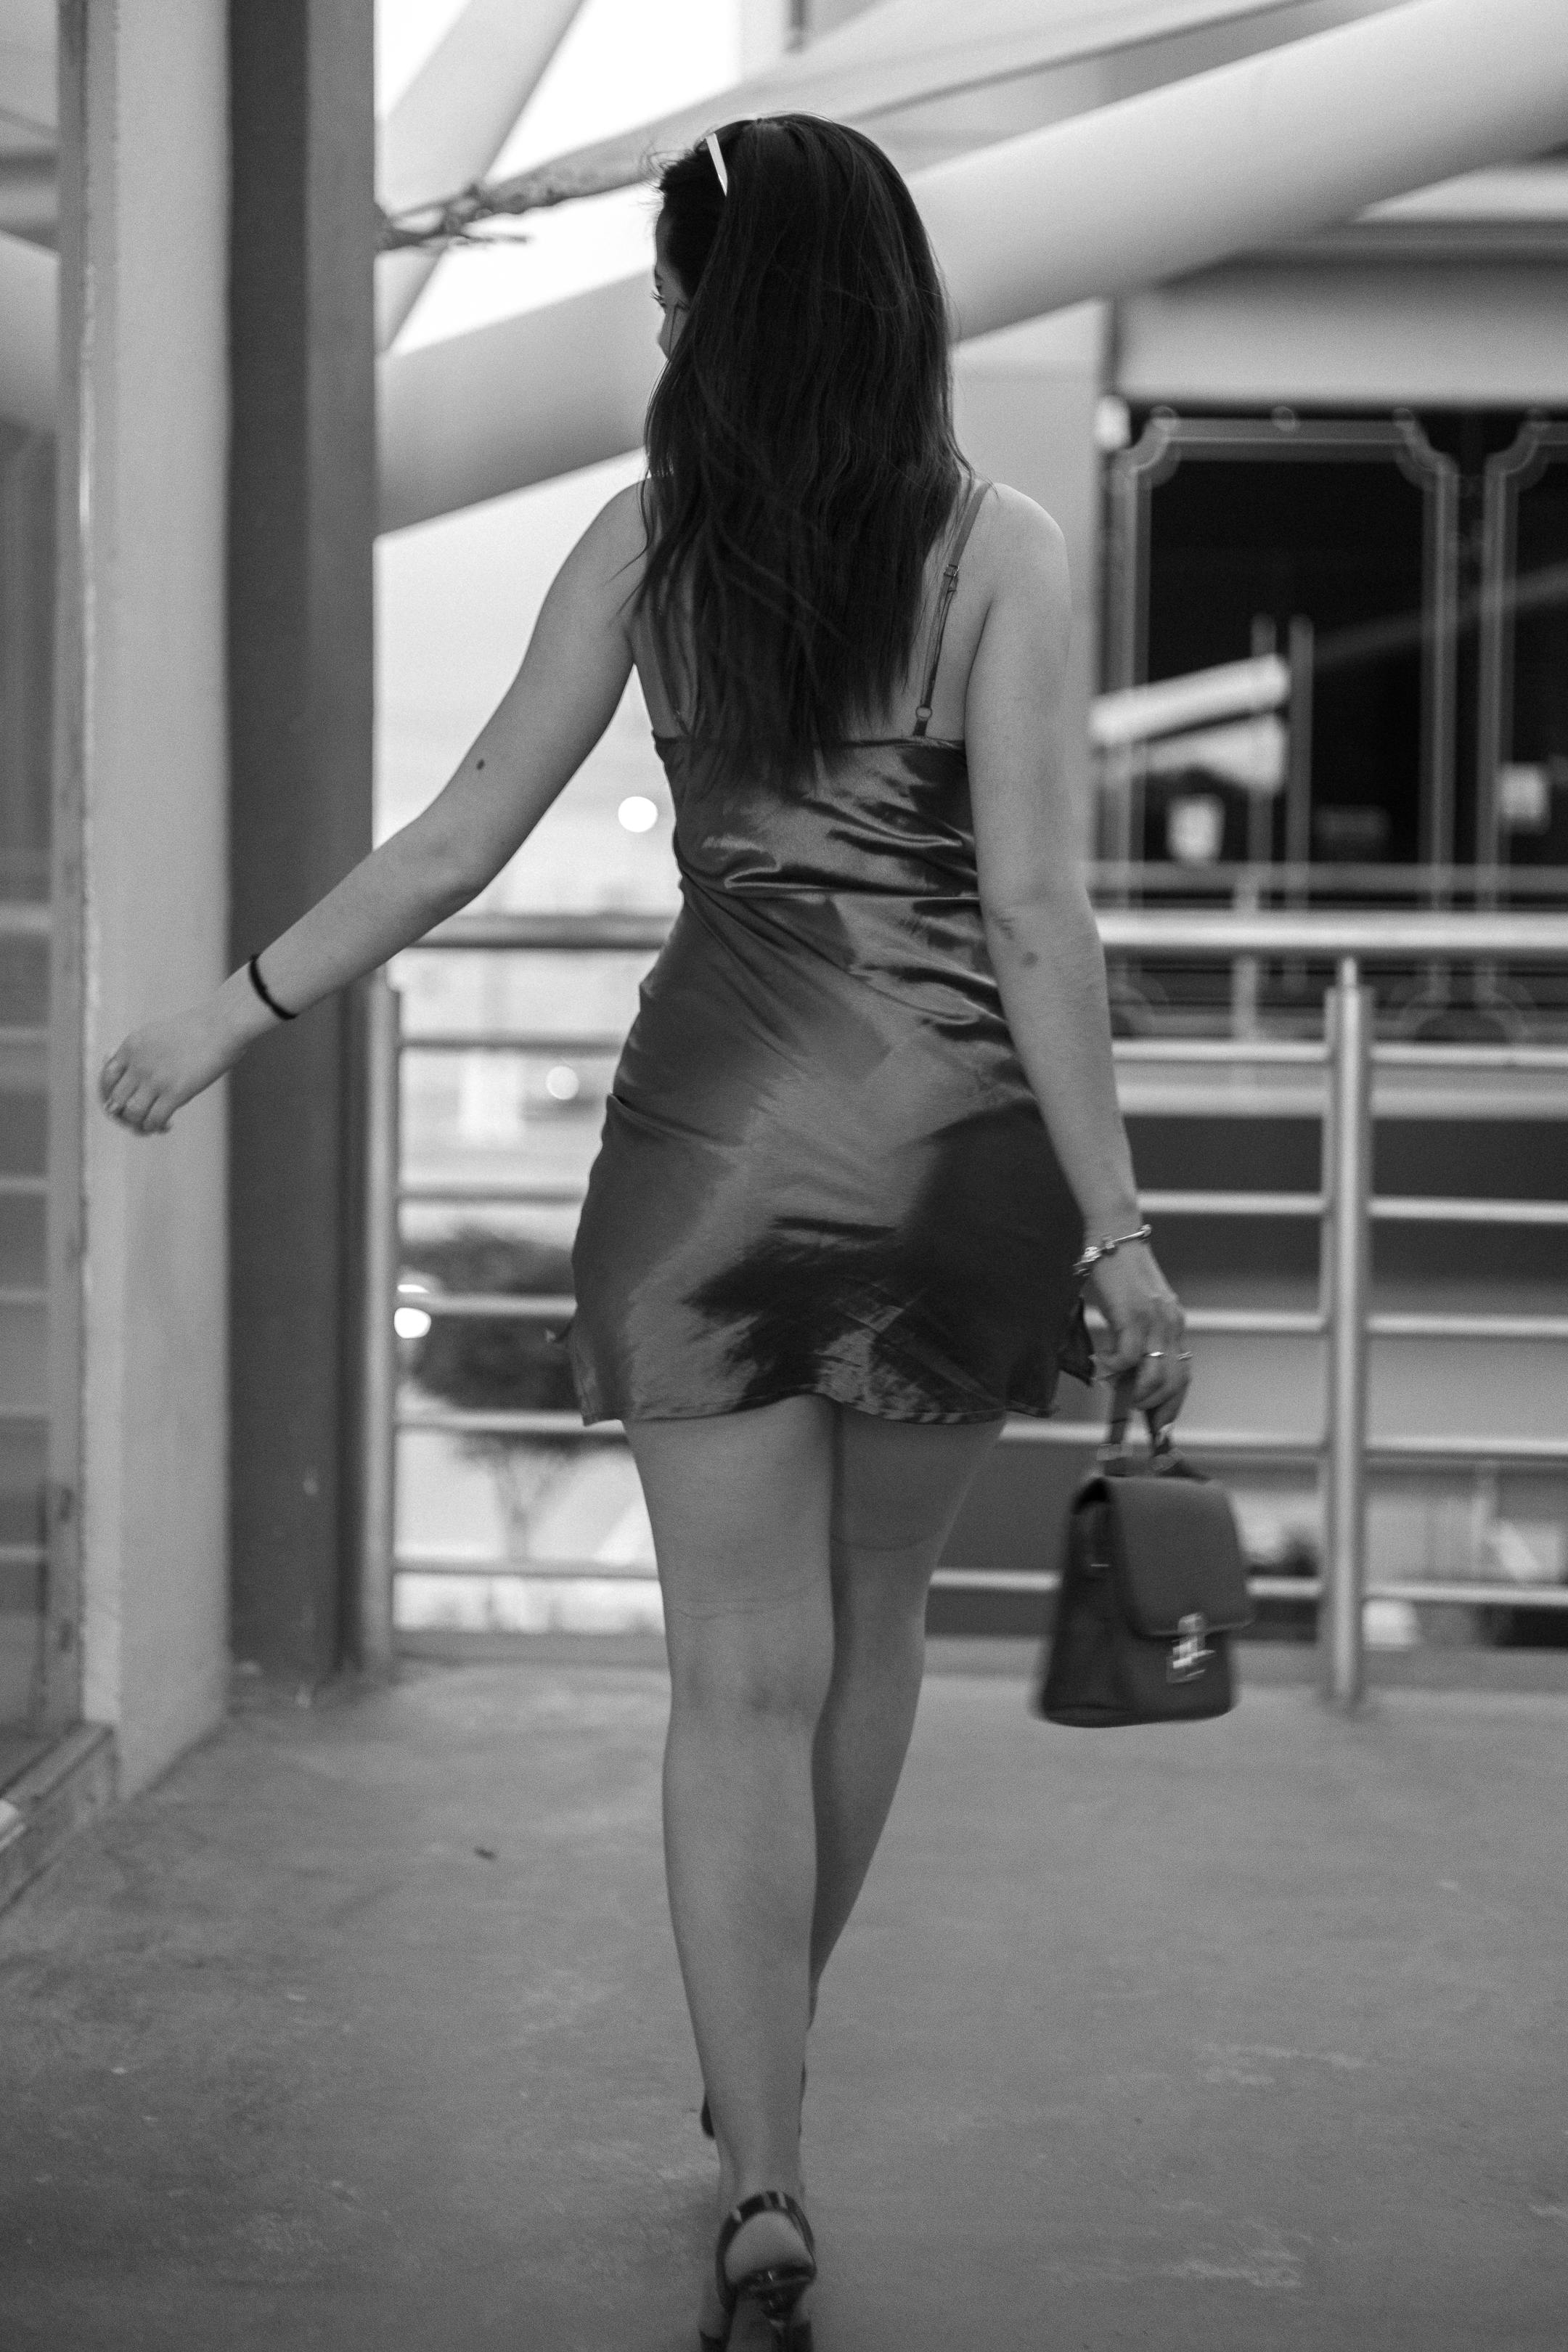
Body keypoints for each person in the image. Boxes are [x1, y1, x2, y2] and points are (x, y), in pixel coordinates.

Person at [99, 113, 1189, 2352]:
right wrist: (1122, 1233)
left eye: (675, 289)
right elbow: (1042, 916)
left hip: (706, 1150)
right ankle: (763, 2063)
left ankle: (761, 2175)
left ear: (722, 313)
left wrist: (230, 1012)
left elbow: (455, 838)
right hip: (952, 1152)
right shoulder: (1005, 549)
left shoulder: (648, 542)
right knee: (867, 1640)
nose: (663, 323)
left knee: (726, 1686)